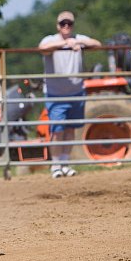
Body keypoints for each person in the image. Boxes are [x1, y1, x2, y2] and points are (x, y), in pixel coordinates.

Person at [39, 11, 101, 178]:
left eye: (69, 23)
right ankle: (55, 165)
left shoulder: (78, 39)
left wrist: (78, 42)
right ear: (57, 26)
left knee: (70, 129)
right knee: (57, 130)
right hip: (55, 94)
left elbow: (97, 44)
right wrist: (64, 44)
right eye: (63, 23)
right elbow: (43, 49)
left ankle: (65, 164)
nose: (66, 26)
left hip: (76, 92)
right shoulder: (50, 40)